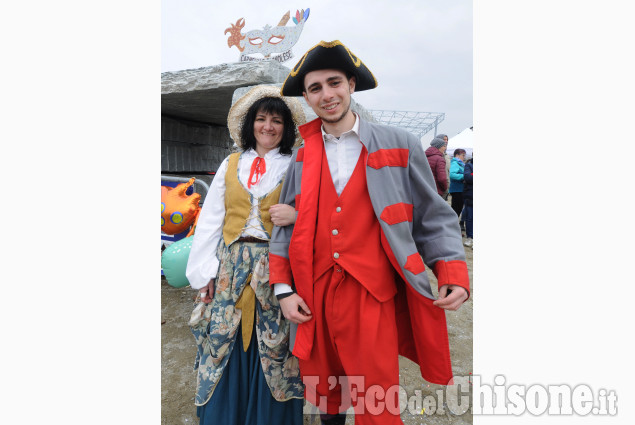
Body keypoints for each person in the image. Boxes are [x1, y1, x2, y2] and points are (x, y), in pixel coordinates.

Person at [269, 40, 470, 425]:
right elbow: (284, 224)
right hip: (315, 290)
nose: (327, 95)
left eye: (334, 83)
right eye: (315, 88)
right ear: (308, 98)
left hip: (373, 290)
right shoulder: (302, 154)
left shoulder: (401, 144)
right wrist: (284, 289)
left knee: (375, 398)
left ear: (351, 85)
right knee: (326, 393)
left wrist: (452, 271)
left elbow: (433, 216)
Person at [185, 85, 306, 425]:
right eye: (262, 118)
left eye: (277, 120)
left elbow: (316, 213)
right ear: (251, 123)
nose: (268, 126)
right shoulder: (232, 162)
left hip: (276, 267)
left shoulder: (297, 163)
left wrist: (296, 216)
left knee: (274, 343)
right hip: (230, 268)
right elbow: (211, 220)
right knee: (223, 337)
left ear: (286, 127)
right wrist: (204, 274)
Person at [449, 148, 466, 222]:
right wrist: (464, 176)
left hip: (460, 189)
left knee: (458, 209)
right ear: (457, 155)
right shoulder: (455, 163)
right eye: (463, 155)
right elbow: (452, 175)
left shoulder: (460, 164)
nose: (464, 157)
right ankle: (451, 226)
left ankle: (453, 226)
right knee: (456, 209)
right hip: (457, 190)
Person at [462, 156, 473, 247]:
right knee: (470, 217)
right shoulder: (469, 165)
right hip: (470, 195)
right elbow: (468, 177)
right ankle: (470, 237)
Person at [437, 134, 451, 200]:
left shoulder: (447, 156)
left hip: (446, 186)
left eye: (446, 139)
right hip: (438, 187)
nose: (446, 141)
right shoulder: (436, 155)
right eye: (444, 139)